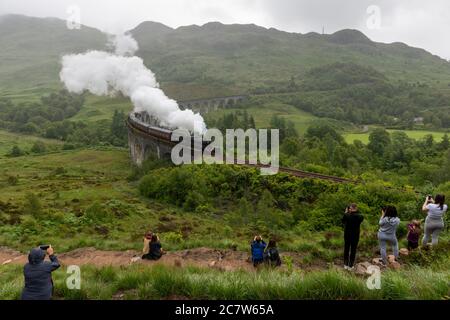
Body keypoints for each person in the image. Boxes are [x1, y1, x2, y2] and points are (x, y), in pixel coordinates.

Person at [341, 203, 364, 270]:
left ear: (351, 208)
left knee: (346, 249)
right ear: (356, 208)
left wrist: (346, 212)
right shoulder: (360, 216)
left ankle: (345, 264)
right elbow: (359, 215)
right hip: (355, 235)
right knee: (353, 250)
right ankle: (351, 265)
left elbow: (343, 221)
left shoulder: (346, 215)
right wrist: (354, 211)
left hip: (347, 235)